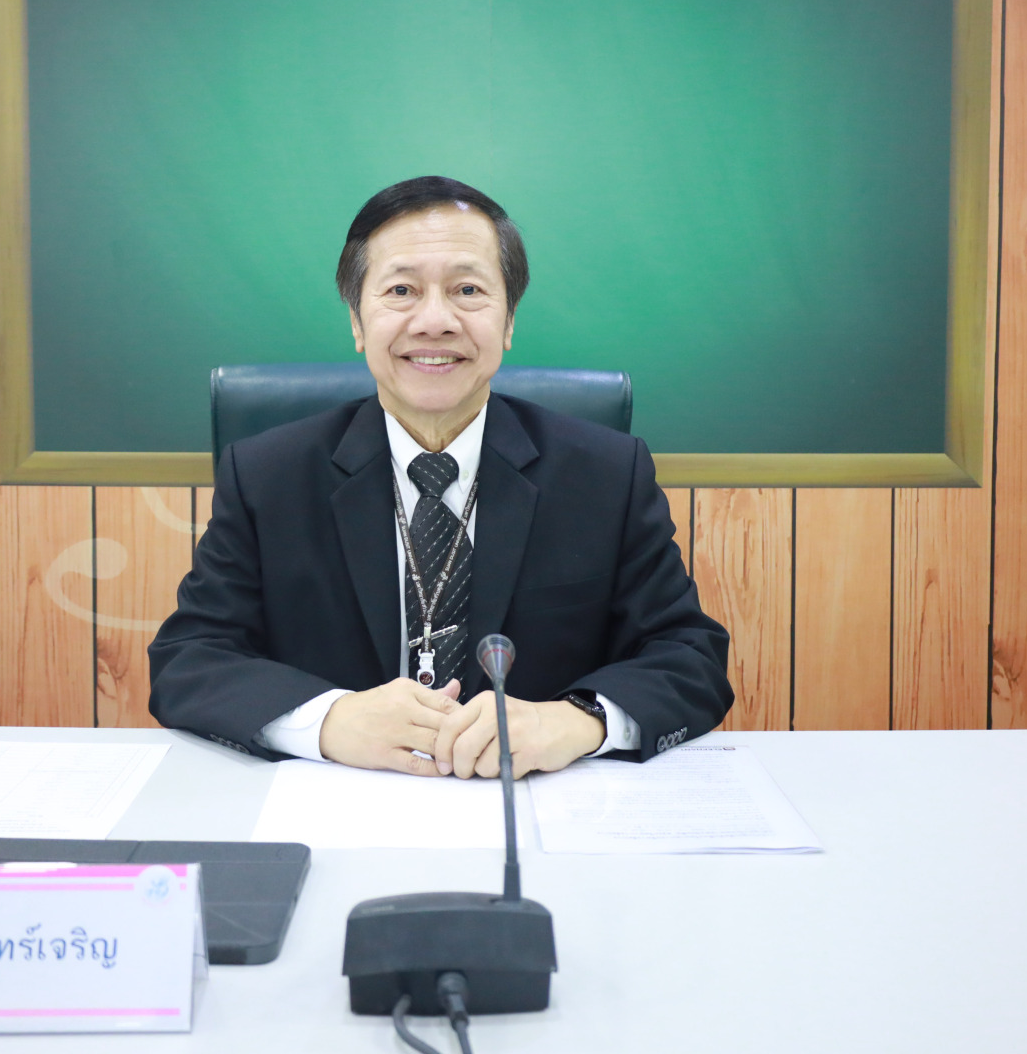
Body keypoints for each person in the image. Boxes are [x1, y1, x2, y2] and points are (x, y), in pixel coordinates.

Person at [148, 177, 732, 777]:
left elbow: (690, 657)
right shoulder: (268, 476)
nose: (435, 321)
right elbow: (189, 660)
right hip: (337, 797)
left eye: (467, 290)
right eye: (401, 290)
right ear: (357, 322)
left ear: (508, 321)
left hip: (535, 799)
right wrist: (328, 720)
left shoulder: (605, 474)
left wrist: (577, 720)